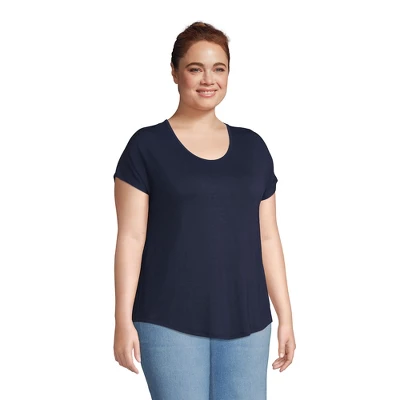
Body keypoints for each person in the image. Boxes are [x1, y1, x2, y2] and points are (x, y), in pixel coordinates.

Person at [113, 21, 296, 400]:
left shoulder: (253, 147)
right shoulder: (145, 147)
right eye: (195, 68)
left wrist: (285, 316)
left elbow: (268, 237)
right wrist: (122, 320)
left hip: (248, 319)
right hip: (167, 317)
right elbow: (131, 238)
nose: (208, 79)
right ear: (175, 72)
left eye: (219, 68)